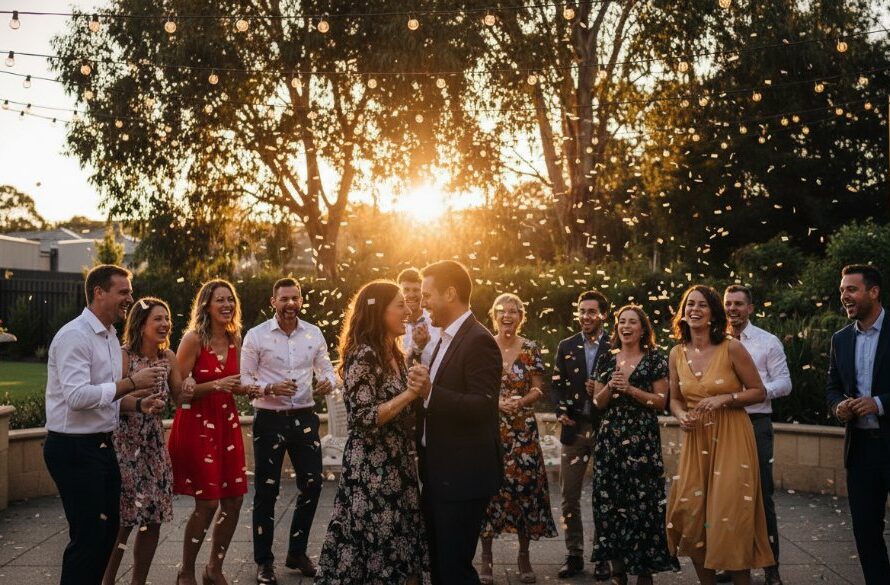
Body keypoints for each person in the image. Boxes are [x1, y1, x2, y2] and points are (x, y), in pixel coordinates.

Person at [43, 264, 165, 585]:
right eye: (123, 292)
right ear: (99, 292)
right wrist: (131, 383)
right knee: (88, 538)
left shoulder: (109, 336)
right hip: (73, 448)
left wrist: (139, 403)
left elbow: (104, 397)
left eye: (130, 291)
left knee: (107, 533)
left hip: (101, 445)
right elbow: (78, 397)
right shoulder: (74, 336)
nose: (130, 298)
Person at [316, 280, 430, 584]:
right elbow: (363, 418)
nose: (408, 311)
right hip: (372, 471)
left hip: (397, 465)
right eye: (400, 305)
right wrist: (410, 394)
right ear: (379, 312)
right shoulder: (363, 354)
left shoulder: (394, 351)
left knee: (403, 549)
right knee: (377, 550)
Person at [665, 285, 774, 585]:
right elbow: (674, 399)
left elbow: (758, 391)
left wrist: (724, 399)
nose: (694, 309)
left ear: (713, 312)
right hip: (696, 439)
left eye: (701, 304)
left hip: (732, 439)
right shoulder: (676, 353)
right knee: (691, 514)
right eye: (689, 304)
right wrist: (680, 415)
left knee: (730, 518)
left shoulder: (732, 348)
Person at [409, 260, 503, 585]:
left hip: (462, 477)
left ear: (450, 293)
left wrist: (431, 392)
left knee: (454, 570)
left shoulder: (478, 339)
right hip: (439, 472)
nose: (422, 303)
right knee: (437, 563)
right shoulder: (445, 337)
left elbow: (483, 406)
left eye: (426, 294)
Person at [240, 277, 336, 582]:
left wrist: (328, 382)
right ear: (273, 302)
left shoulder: (314, 333)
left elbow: (328, 370)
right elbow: (244, 381)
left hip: (305, 417)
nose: (290, 304)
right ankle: (264, 562)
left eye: (295, 298)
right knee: (266, 491)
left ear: (301, 301)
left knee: (313, 484)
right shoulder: (256, 336)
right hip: (269, 420)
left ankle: (297, 552)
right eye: (284, 299)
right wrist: (269, 387)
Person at [103, 297, 195, 585]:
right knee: (122, 522)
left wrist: (189, 386)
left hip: (154, 448)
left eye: (167, 318)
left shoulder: (167, 357)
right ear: (141, 325)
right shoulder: (123, 356)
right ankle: (106, 581)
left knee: (152, 519)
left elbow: (179, 398)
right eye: (158, 318)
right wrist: (140, 403)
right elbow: (109, 398)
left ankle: (138, 582)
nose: (165, 324)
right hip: (124, 446)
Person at [590, 305, 678, 585]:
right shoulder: (606, 358)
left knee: (644, 505)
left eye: (632, 322)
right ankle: (618, 571)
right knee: (609, 504)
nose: (626, 327)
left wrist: (630, 390)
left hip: (642, 444)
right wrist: (610, 389)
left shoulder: (654, 360)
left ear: (643, 329)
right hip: (610, 442)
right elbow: (597, 403)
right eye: (621, 322)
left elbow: (661, 401)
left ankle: (644, 571)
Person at [168, 280, 249, 585]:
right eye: (220, 300)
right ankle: (185, 570)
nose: (227, 305)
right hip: (197, 426)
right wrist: (215, 385)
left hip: (226, 425)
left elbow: (235, 385)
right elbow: (179, 394)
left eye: (231, 300)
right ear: (206, 305)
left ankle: (214, 569)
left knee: (234, 500)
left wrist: (251, 388)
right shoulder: (192, 340)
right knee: (208, 502)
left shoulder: (235, 339)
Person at [479, 293, 557, 584]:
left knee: (525, 489)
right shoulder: (484, 346)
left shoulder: (531, 349)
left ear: (521, 316)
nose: (507, 315)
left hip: (523, 429)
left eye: (513, 311)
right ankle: (486, 558)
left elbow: (539, 388)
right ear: (494, 315)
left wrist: (522, 401)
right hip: (491, 427)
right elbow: (477, 387)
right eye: (502, 311)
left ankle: (524, 556)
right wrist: (498, 402)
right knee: (489, 489)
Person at [720, 285, 792, 585]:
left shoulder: (767, 341)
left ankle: (771, 566)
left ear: (750, 308)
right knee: (727, 497)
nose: (732, 308)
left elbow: (785, 384)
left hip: (755, 422)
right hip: (723, 424)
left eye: (739, 304)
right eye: (728, 304)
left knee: (762, 495)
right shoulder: (715, 341)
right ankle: (733, 564)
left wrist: (756, 393)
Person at [826, 264, 890, 585]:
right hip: (860, 451)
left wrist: (879, 403)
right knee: (866, 532)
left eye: (851, 289)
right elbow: (832, 387)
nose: (845, 297)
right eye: (842, 291)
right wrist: (839, 406)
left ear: (873, 292)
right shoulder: (840, 340)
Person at [552, 290, 612, 580]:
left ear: (603, 314)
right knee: (568, 496)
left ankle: (602, 556)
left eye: (592, 311)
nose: (585, 316)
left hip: (605, 428)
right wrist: (560, 409)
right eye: (581, 310)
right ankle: (573, 554)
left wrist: (602, 392)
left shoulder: (615, 346)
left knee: (604, 495)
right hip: (574, 430)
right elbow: (557, 385)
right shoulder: (566, 345)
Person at [398, 268, 440, 366]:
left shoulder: (436, 322)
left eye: (416, 290)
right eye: (406, 290)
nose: (411, 295)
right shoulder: (392, 324)